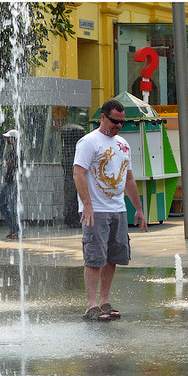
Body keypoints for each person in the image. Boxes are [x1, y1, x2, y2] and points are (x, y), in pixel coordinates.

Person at [73, 99, 148, 322]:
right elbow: (78, 173)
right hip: (96, 210)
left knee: (113, 257)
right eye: (115, 121)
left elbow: (129, 178)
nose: (118, 126)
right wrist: (87, 205)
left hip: (118, 208)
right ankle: (91, 305)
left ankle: (104, 301)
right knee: (94, 257)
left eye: (122, 122)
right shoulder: (89, 142)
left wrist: (139, 209)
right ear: (103, 117)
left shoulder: (123, 144)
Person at [0, 129, 22, 239]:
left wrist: (9, 179)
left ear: (14, 138)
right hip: (9, 181)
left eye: (9, 137)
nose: (7, 139)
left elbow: (15, 167)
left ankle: (17, 231)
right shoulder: (12, 150)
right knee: (2, 205)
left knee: (12, 207)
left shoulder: (18, 151)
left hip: (13, 182)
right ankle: (13, 228)